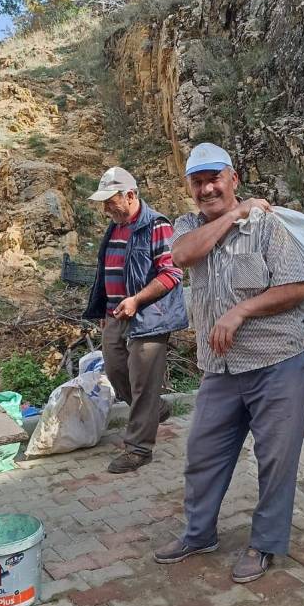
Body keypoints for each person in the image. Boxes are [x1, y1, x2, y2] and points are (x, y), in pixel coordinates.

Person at [152, 143, 304, 584]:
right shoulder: (186, 226)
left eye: (214, 179)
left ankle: (264, 543)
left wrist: (240, 311)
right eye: (198, 182)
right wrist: (231, 216)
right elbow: (183, 257)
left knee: (276, 459)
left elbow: (297, 287)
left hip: (278, 360)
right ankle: (198, 533)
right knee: (202, 453)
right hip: (220, 369)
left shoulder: (266, 226)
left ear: (233, 179)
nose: (206, 189)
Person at [82, 167, 187, 473]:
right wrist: (105, 310)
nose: (105, 209)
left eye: (110, 200)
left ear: (130, 195)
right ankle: (156, 409)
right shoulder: (115, 226)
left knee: (142, 383)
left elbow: (172, 273)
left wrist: (137, 300)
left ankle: (139, 449)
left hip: (149, 315)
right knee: (115, 371)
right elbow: (108, 272)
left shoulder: (157, 225)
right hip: (116, 312)